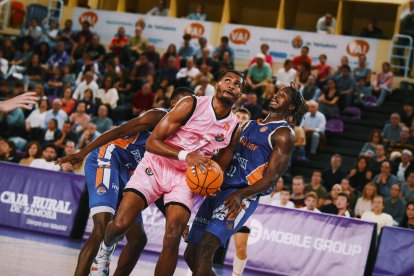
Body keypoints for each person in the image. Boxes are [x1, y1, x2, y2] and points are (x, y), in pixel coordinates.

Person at [92, 71, 243, 275]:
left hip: (185, 178)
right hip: (156, 165)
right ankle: (105, 250)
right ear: (216, 85)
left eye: (237, 84)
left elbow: (219, 166)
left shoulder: (233, 128)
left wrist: (212, 181)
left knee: (173, 235)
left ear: (239, 95)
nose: (232, 85)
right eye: (227, 80)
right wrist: (186, 155)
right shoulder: (191, 104)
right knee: (120, 225)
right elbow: (153, 142)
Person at [57, 87, 194, 276]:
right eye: (186, 103)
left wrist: (174, 218)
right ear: (173, 105)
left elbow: (163, 184)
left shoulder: (185, 136)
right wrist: (83, 152)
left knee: (138, 240)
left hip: (130, 175)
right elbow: (119, 130)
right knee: (102, 227)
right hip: (108, 159)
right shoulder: (158, 117)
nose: (191, 108)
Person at [184, 83, 307, 275]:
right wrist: (211, 173)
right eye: (277, 92)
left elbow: (272, 178)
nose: (276, 95)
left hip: (241, 196)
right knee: (190, 254)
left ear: (291, 106)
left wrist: (241, 195)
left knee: (206, 248)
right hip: (219, 189)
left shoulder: (283, 134)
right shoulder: (249, 124)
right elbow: (227, 155)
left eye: (282, 95)